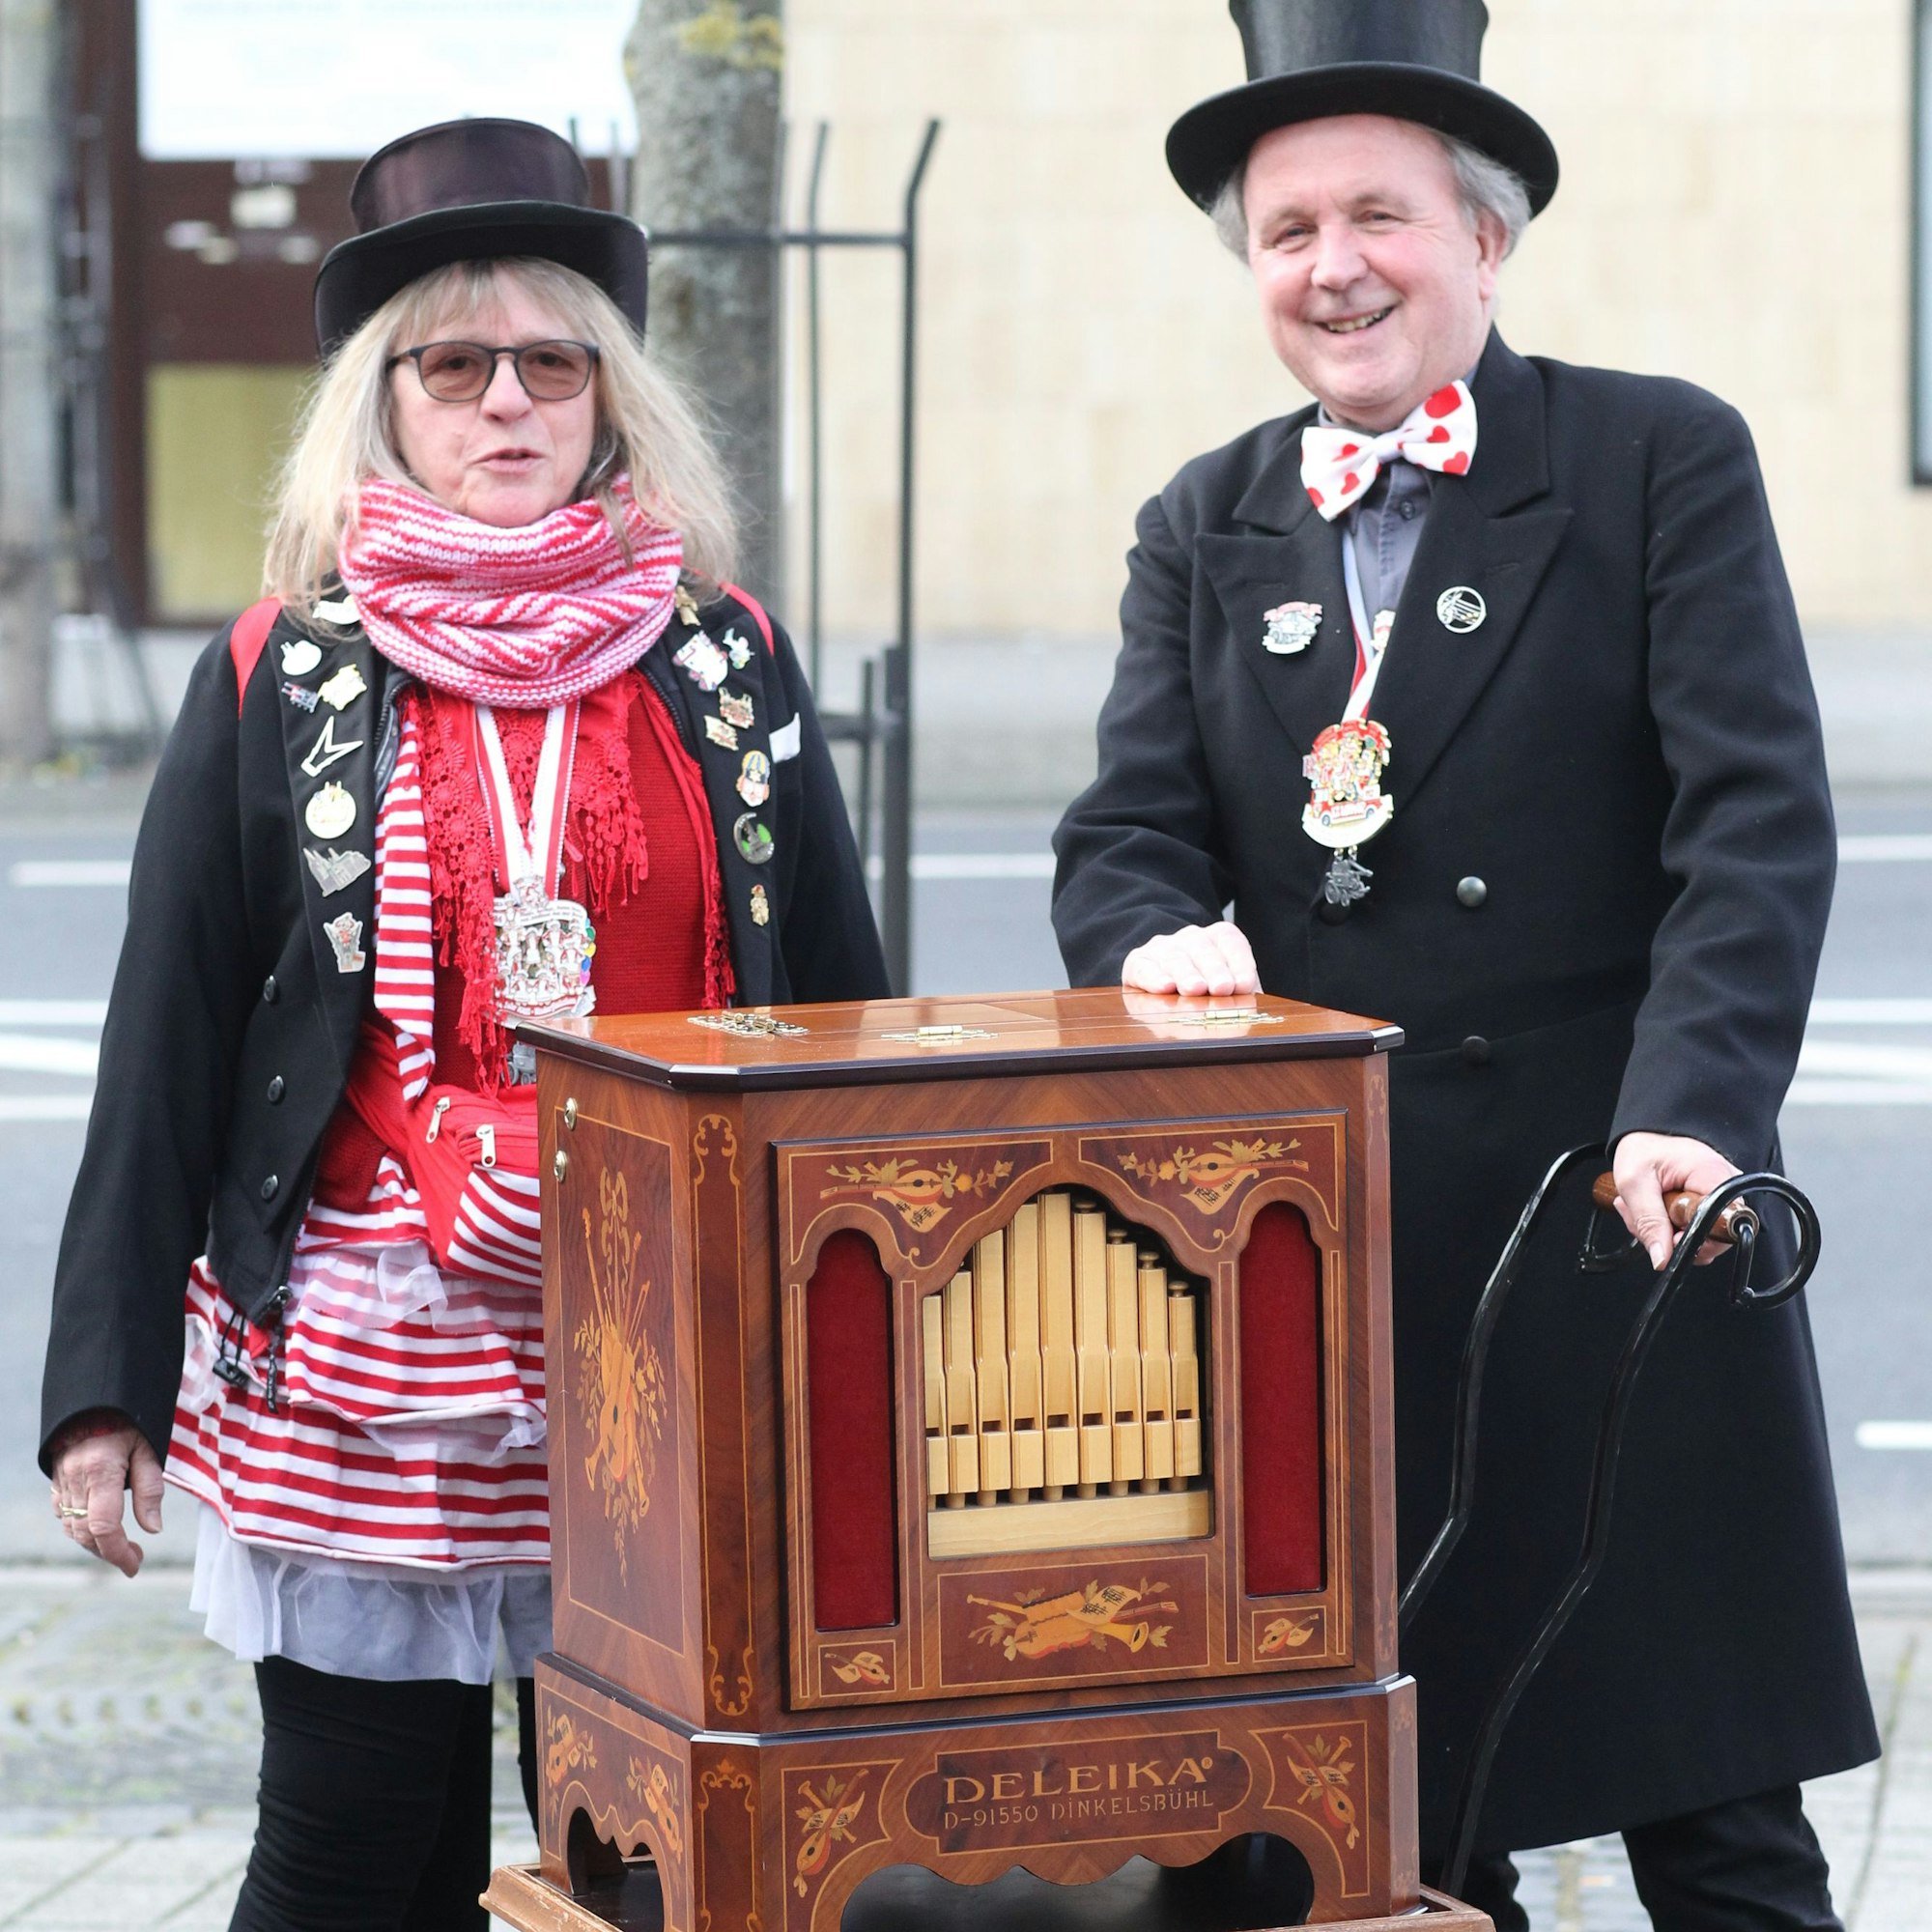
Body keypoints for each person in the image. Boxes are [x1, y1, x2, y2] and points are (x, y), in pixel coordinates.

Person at [1052, 4, 1877, 1927]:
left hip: (1619, 1213)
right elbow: (1123, 828)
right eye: (1285, 231)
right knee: (1377, 1828)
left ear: (1485, 240)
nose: (1332, 267)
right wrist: (1156, 932)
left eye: (1378, 216)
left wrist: (1693, 1107)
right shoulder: (1204, 516)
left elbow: (1748, 825)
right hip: (1317, 1257)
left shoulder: (1654, 455)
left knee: (1713, 1809)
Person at [40, 118, 886, 1930]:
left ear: (607, 399)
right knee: (362, 1862)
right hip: (370, 1371)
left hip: (673, 1352)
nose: (507, 403)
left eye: (552, 363)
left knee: (649, 1868)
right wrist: (106, 1395)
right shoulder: (283, 663)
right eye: (454, 365)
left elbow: (836, 1000)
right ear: (388, 402)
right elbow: (168, 1031)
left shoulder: (722, 656)